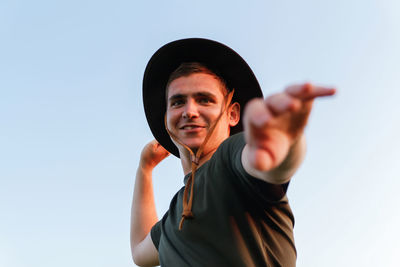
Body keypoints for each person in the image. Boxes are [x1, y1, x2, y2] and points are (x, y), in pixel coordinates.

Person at [130, 38, 335, 267]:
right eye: (178, 102)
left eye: (204, 100)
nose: (189, 111)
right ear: (166, 120)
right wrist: (145, 169)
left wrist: (283, 139)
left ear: (233, 114)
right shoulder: (174, 215)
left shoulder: (230, 159)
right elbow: (140, 252)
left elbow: (268, 165)